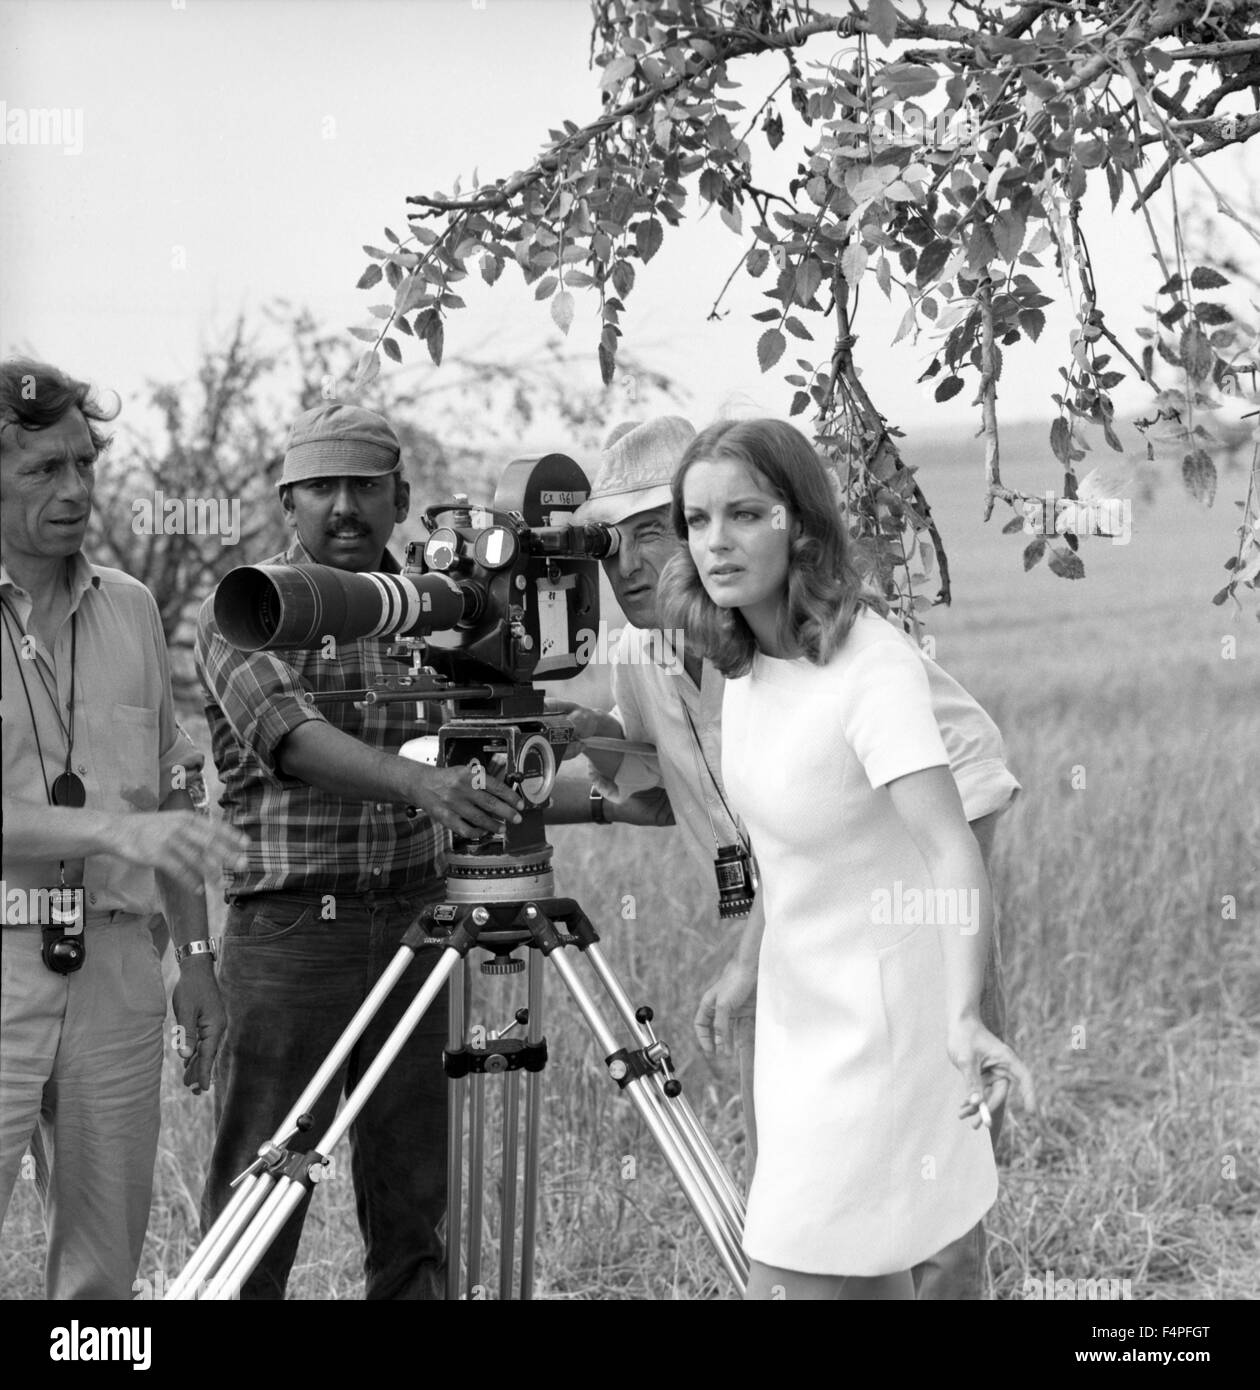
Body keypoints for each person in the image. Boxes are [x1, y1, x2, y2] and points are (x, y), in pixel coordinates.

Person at [545, 415, 1021, 1298]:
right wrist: (554, 765)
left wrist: (938, 971)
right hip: (796, 953)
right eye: (615, 544)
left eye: (656, 530)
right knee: (808, 1206)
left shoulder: (856, 654)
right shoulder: (658, 657)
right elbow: (659, 788)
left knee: (926, 1212)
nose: (634, 564)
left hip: (898, 948)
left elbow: (973, 773)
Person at [195, 402, 525, 1300]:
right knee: (261, 1190)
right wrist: (423, 785)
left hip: (417, 919)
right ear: (285, 503)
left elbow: (470, 746)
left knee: (415, 1195)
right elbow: (291, 736)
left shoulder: (441, 610)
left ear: (401, 498)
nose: (344, 507)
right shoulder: (250, 607)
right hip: (293, 932)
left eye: (365, 488)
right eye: (322, 488)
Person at [0, 358, 247, 1300]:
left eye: (84, 465)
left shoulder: (133, 606)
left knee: (104, 1271)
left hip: (114, 970)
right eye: (41, 471)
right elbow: (132, 827)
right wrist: (116, 832)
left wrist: (196, 956)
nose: (75, 491)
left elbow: (172, 797)